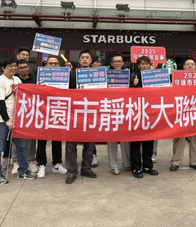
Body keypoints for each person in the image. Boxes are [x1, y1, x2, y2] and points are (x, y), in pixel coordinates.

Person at [0, 57, 36, 185]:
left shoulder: (17, 79)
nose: (13, 68)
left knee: (22, 146)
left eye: (14, 65)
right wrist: (7, 120)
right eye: (10, 66)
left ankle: (23, 171)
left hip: (16, 120)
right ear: (3, 68)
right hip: (1, 120)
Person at [65, 50, 98, 184]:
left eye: (87, 58)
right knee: (71, 144)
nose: (85, 59)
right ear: (79, 61)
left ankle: (86, 168)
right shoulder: (72, 75)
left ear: (91, 61)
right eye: (82, 57)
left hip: (91, 113)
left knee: (89, 144)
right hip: (74, 113)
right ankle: (72, 171)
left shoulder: (98, 75)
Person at [36, 55, 68, 178]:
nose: (53, 66)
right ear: (46, 65)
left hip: (58, 110)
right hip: (43, 111)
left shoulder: (64, 76)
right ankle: (41, 165)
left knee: (57, 138)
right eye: (51, 63)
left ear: (59, 65)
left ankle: (57, 164)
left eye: (55, 63)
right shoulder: (41, 76)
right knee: (42, 139)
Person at [170, 58, 196, 172]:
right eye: (187, 64)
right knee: (179, 138)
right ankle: (176, 161)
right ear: (183, 67)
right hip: (180, 112)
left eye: (192, 64)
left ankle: (195, 161)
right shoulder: (176, 78)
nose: (190, 66)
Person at [8, 59, 39, 175]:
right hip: (17, 113)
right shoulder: (14, 80)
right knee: (17, 138)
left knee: (31, 138)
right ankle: (16, 162)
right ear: (17, 69)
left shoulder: (34, 79)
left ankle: (31, 161)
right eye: (21, 67)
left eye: (26, 67)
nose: (24, 69)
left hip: (31, 112)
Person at [130, 56, 158, 178]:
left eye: (147, 64)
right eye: (142, 64)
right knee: (136, 142)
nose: (145, 66)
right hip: (136, 113)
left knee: (149, 141)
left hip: (150, 113)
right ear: (138, 65)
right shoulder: (133, 76)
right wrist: (134, 84)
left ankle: (147, 166)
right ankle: (136, 168)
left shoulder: (155, 76)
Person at [106, 52, 130, 174]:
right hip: (110, 109)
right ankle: (113, 166)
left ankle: (127, 163)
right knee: (112, 140)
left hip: (125, 110)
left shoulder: (129, 75)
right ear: (111, 63)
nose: (117, 63)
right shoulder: (105, 75)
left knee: (126, 139)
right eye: (115, 61)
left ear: (122, 63)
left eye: (119, 61)